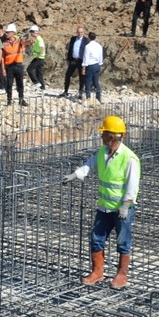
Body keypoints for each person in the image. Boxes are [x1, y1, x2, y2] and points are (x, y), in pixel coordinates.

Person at [63, 115, 139, 289]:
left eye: (103, 133)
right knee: (96, 238)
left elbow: (132, 184)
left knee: (123, 241)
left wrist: (126, 205)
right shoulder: (102, 153)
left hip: (122, 209)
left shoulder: (129, 158)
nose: (101, 136)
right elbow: (89, 165)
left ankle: (121, 274)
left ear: (111, 136)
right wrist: (75, 174)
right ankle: (97, 272)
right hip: (104, 208)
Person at [1, 24, 26, 106]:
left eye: (8, 32)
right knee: (9, 84)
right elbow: (2, 57)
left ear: (13, 33)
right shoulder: (4, 44)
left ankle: (21, 99)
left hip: (18, 65)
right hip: (9, 66)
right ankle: (9, 100)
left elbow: (26, 42)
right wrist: (3, 69)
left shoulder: (19, 41)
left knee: (20, 83)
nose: (6, 34)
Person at [61, 27, 87, 99]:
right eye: (78, 32)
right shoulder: (73, 39)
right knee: (68, 75)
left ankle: (80, 92)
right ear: (76, 32)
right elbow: (70, 49)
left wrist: (85, 62)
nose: (79, 34)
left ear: (83, 32)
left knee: (82, 77)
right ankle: (65, 91)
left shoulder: (86, 40)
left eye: (81, 32)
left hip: (81, 61)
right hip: (73, 60)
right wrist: (68, 59)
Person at [81, 32, 104, 103]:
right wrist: (100, 64)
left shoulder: (88, 46)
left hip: (90, 66)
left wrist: (84, 67)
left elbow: (86, 57)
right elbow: (101, 56)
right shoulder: (99, 46)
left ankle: (88, 98)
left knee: (88, 82)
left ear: (89, 38)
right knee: (96, 82)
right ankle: (98, 97)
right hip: (97, 65)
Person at [26, 25, 46, 91]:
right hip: (41, 58)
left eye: (31, 32)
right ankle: (42, 87)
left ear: (35, 32)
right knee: (39, 73)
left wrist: (38, 55)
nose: (31, 33)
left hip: (39, 58)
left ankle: (36, 82)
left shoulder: (39, 39)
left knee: (29, 69)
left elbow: (42, 48)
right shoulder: (37, 39)